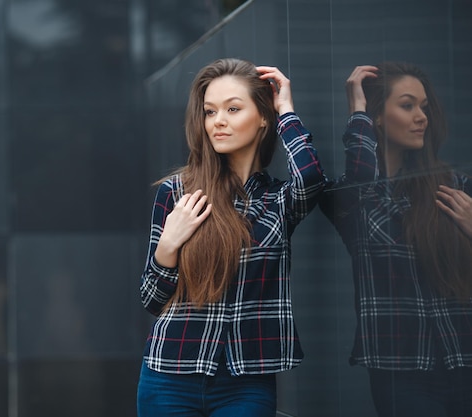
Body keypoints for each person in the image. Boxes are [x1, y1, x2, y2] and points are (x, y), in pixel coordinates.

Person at [137, 57, 327, 417]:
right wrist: (167, 247)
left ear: (263, 119)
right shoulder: (178, 193)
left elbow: (311, 179)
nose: (218, 121)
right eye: (210, 112)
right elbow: (150, 298)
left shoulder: (279, 200)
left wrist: (285, 108)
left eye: (233, 108)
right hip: (169, 375)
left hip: (246, 381)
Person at [320, 61, 472, 417]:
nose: (422, 116)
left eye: (424, 106)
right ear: (377, 118)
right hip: (401, 372)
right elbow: (359, 177)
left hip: (466, 358)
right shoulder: (351, 200)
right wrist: (358, 110)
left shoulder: (457, 188)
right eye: (407, 105)